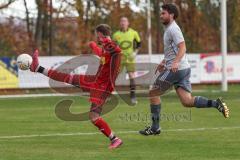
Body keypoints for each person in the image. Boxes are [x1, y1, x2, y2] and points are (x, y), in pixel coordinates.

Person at [139, 4, 230, 136]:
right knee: (187, 101)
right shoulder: (170, 29)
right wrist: (164, 61)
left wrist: (174, 62)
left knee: (153, 92)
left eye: (163, 13)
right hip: (183, 68)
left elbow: (182, 47)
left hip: (176, 69)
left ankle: (155, 127)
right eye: (161, 13)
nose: (161, 15)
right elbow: (173, 50)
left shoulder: (173, 29)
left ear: (171, 15)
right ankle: (216, 103)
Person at [30, 24, 123, 149]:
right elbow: (102, 54)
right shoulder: (106, 49)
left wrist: (106, 41)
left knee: (94, 117)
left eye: (97, 36)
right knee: (68, 77)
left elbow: (117, 51)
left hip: (102, 87)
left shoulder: (112, 47)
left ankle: (115, 139)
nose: (97, 38)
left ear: (100, 35)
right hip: (95, 81)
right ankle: (38, 68)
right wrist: (94, 46)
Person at [113, 16, 141, 105]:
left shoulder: (133, 33)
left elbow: (139, 43)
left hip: (130, 59)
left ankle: (133, 96)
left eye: (125, 21)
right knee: (113, 76)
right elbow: (112, 47)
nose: (123, 23)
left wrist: (135, 52)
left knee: (131, 76)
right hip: (119, 59)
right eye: (121, 21)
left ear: (128, 23)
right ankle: (107, 95)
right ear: (120, 24)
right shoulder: (116, 35)